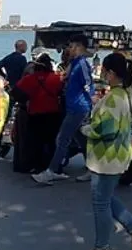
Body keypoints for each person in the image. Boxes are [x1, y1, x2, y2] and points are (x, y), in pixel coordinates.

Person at [76, 53, 132, 250]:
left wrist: (85, 129)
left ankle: (102, 249)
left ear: (111, 73)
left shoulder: (113, 99)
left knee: (100, 203)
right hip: (116, 156)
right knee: (105, 198)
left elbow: (106, 131)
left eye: (103, 69)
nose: (100, 72)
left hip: (106, 158)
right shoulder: (124, 95)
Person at [33, 34, 94, 185]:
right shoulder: (76, 63)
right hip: (74, 106)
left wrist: (92, 100)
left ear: (79, 47)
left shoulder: (82, 64)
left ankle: (52, 171)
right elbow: (66, 76)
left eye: (71, 47)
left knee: (62, 139)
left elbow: (88, 84)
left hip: (78, 107)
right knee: (81, 139)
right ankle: (92, 168)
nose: (69, 50)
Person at [15, 54, 64, 173]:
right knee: (51, 141)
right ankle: (50, 164)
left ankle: (36, 165)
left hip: (35, 113)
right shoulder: (57, 78)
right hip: (53, 113)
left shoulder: (30, 78)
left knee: (35, 141)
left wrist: (26, 100)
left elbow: (16, 92)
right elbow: (62, 92)